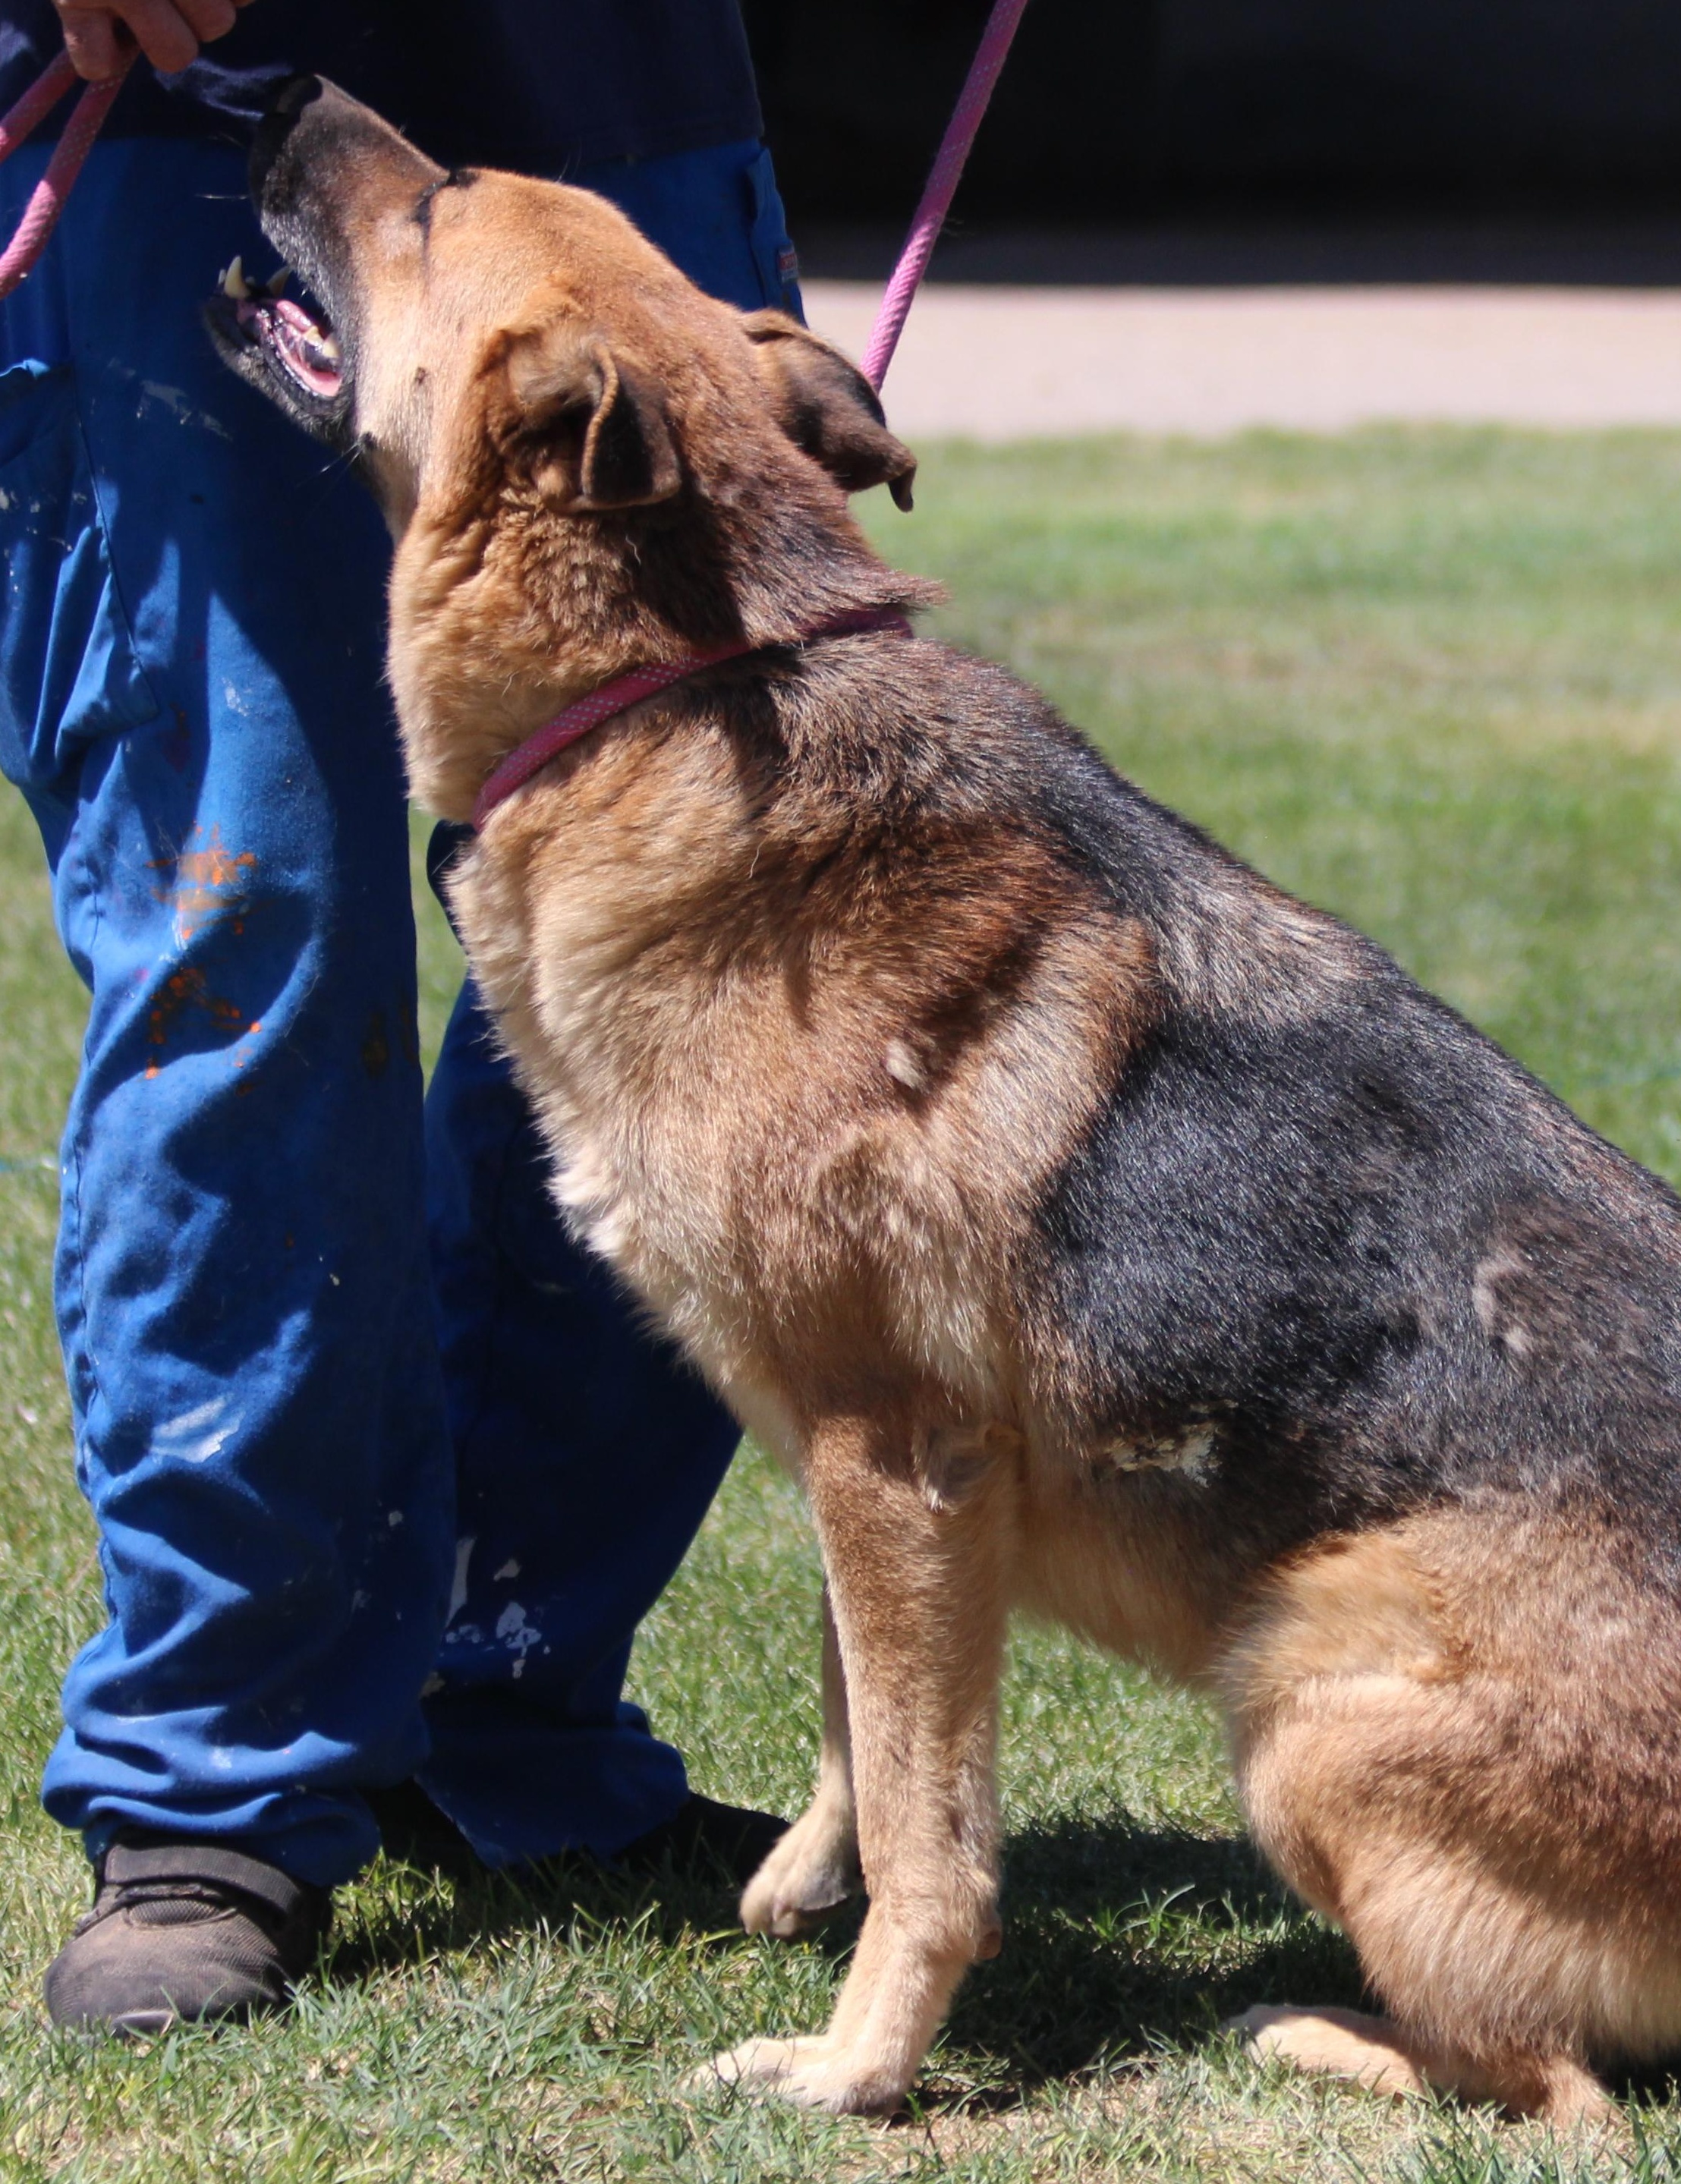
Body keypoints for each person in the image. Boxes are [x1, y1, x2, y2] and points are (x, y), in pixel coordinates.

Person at [0, 0, 797, 2035]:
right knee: (247, 936)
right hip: (175, 112)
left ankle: (500, 1700)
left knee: (700, 951)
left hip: (624, 121)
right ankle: (218, 1782)